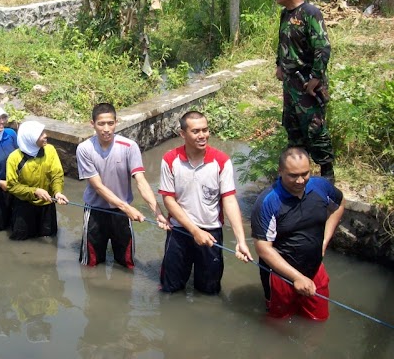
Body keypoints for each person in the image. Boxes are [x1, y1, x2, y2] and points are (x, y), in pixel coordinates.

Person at [158, 110, 253, 294]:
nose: (202, 135)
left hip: (211, 233)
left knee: (209, 291)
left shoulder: (221, 161)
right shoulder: (170, 160)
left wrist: (241, 240)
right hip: (179, 231)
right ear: (183, 134)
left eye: (205, 130)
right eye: (196, 131)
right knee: (171, 289)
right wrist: (194, 231)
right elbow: (169, 200)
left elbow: (230, 201)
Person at [251, 147, 345, 321]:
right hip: (280, 276)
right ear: (280, 172)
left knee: (319, 320)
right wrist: (297, 277)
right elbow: (263, 248)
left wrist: (324, 241)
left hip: (315, 268)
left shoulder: (320, 187)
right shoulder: (268, 201)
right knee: (277, 324)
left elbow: (339, 205)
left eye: (305, 173)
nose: (300, 181)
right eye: (293, 175)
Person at [76, 102, 169, 269]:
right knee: (91, 262)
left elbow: (140, 181)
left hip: (122, 212)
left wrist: (157, 212)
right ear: (92, 124)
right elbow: (97, 186)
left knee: (126, 262)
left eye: (110, 123)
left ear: (116, 123)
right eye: (101, 124)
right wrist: (128, 209)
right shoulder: (84, 149)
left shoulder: (129, 147)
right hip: (96, 211)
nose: (106, 129)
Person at [268, 0, 335, 181]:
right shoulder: (285, 14)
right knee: (292, 127)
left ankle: (327, 176)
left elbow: (322, 47)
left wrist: (315, 78)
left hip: (308, 85)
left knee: (315, 129)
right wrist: (279, 64)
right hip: (290, 85)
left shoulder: (310, 13)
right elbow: (283, 43)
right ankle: (297, 174)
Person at [6, 120, 68, 240]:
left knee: (48, 236)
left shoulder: (49, 150)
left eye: (43, 132)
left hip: (47, 203)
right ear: (30, 138)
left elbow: (57, 174)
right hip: (24, 205)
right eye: (40, 134)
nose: (45, 135)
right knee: (21, 239)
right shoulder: (14, 158)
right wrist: (34, 191)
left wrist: (58, 192)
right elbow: (12, 186)